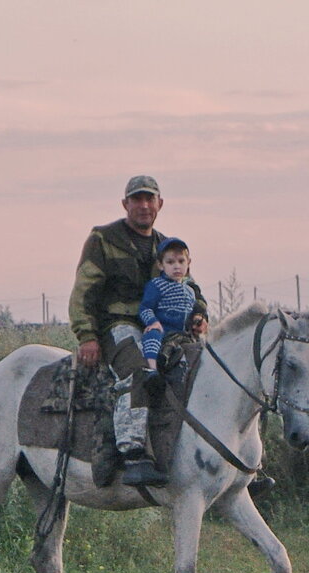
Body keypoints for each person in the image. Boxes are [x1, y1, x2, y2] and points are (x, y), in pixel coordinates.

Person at [68, 175, 208, 487]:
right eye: (137, 199)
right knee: (138, 369)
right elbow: (84, 291)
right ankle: (132, 453)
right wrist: (87, 336)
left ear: (160, 204)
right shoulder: (103, 239)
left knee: (203, 366)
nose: (144, 205)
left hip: (166, 328)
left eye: (150, 199)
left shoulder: (167, 246)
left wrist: (199, 313)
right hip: (120, 324)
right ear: (125, 204)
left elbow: (189, 286)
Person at [139, 237, 202, 386]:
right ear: (160, 265)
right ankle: (152, 369)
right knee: (152, 336)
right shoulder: (156, 285)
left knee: (200, 346)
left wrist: (197, 320)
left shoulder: (190, 291)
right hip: (163, 329)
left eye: (181, 261)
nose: (177, 267)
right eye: (170, 262)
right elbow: (145, 307)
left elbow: (192, 311)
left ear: (188, 263)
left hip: (182, 333)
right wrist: (153, 322)